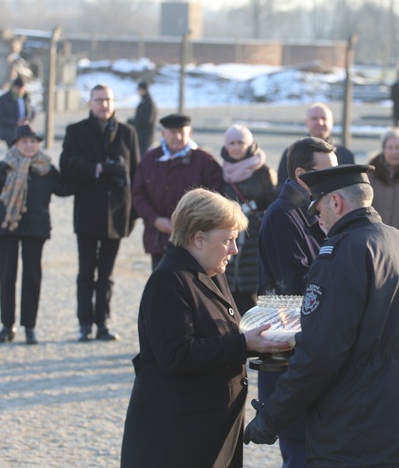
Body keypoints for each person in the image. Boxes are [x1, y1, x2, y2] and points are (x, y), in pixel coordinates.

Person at [245, 164, 399, 468]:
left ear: (336, 203)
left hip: (360, 434)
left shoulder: (342, 254)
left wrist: (271, 418)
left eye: (318, 209)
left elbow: (319, 353)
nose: (318, 220)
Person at [120, 188, 291, 468]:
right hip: (177, 439)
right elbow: (177, 355)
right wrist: (244, 344)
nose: (235, 249)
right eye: (228, 240)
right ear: (198, 238)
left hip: (208, 431)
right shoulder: (168, 280)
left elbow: (217, 332)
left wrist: (260, 331)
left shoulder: (210, 270)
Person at [258, 136, 337, 468]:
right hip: (288, 349)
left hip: (305, 348)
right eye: (328, 173)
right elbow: (296, 288)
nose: (337, 180)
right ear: (302, 174)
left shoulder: (309, 210)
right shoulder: (283, 215)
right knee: (299, 449)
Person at [0, 124, 72, 345]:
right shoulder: (1, 168)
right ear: (16, 145)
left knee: (32, 278)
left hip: (35, 230)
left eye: (33, 141)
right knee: (7, 276)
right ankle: (7, 325)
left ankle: (30, 326)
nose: (29, 146)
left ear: (38, 144)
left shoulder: (47, 169)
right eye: (24, 142)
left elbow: (64, 188)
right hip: (6, 229)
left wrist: (77, 165)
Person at [60, 84, 140, 342]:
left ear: (114, 103)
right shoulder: (76, 132)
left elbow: (137, 174)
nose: (104, 104)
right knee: (86, 272)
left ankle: (102, 322)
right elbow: (66, 166)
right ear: (90, 104)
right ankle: (84, 323)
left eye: (108, 100)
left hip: (117, 214)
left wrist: (133, 214)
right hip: (87, 211)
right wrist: (97, 168)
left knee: (106, 275)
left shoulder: (128, 133)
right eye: (99, 100)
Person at [132, 114, 222, 270]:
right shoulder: (149, 160)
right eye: (172, 132)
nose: (177, 136)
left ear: (190, 132)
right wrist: (155, 220)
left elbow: (215, 201)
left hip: (194, 242)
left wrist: (189, 224)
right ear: (163, 134)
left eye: (181, 131)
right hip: (158, 239)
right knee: (161, 288)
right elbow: (138, 194)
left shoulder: (205, 162)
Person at [219, 124, 276, 316]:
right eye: (232, 143)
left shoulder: (264, 171)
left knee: (251, 292)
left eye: (241, 143)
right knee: (229, 290)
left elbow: (272, 203)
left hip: (255, 237)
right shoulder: (222, 171)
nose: (236, 147)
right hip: (230, 234)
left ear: (249, 144)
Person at [276, 103, 354, 191]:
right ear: (306, 122)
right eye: (314, 118)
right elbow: (282, 188)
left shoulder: (345, 155)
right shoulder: (291, 153)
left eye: (324, 118)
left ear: (332, 122)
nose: (320, 122)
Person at [0, 76, 35, 148]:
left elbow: (32, 112)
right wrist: (16, 122)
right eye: (18, 88)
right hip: (10, 132)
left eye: (22, 89)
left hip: (25, 132)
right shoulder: (4, 99)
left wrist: (27, 120)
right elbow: (0, 116)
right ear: (13, 87)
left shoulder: (26, 98)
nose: (20, 91)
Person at [128, 81, 158, 157]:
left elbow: (146, 121)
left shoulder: (149, 104)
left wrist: (132, 122)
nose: (138, 92)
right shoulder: (143, 102)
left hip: (145, 139)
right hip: (139, 137)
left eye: (139, 90)